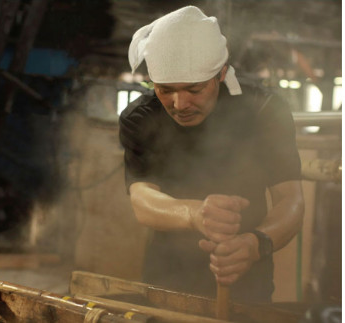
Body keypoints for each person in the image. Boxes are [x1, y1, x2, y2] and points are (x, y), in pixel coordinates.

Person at [119, 6, 304, 302]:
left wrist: (256, 244)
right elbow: (141, 198)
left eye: (194, 89)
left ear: (221, 73)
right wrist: (193, 213)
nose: (179, 104)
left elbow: (291, 199)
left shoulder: (263, 111)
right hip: (166, 279)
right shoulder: (141, 117)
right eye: (165, 90)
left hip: (246, 280)